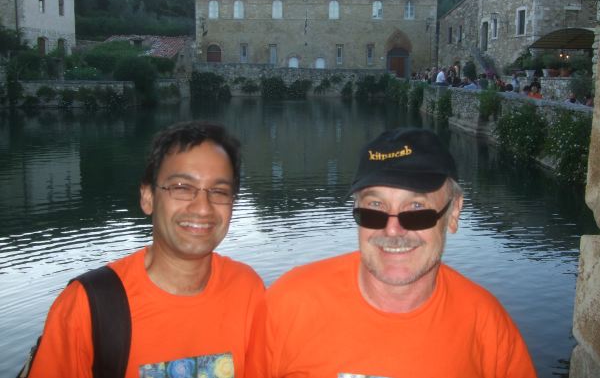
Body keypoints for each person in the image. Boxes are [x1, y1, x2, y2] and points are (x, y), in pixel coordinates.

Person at [245, 128, 537, 378]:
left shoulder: (487, 326)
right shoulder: (288, 305)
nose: (393, 230)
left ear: (454, 212)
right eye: (375, 208)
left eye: (417, 209)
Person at [27, 121, 264, 378]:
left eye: (219, 191)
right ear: (148, 197)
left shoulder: (247, 289)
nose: (203, 208)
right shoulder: (88, 306)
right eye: (182, 188)